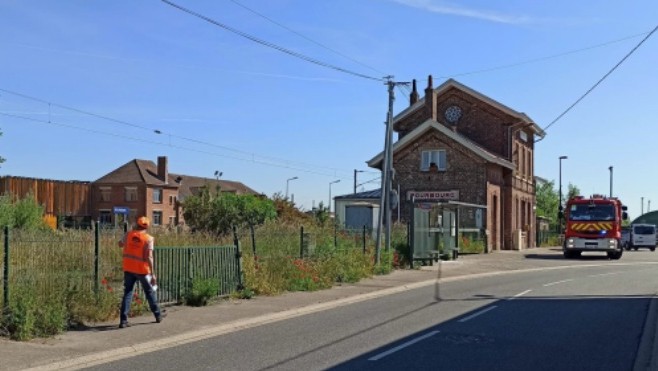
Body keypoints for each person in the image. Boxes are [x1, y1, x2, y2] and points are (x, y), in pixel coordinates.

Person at [118, 216, 165, 328]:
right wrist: (153, 273)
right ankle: (158, 315)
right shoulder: (148, 239)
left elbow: (119, 244)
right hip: (142, 270)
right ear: (147, 227)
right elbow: (149, 257)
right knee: (149, 292)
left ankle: (123, 321)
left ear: (136, 224)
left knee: (128, 293)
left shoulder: (129, 234)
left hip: (128, 268)